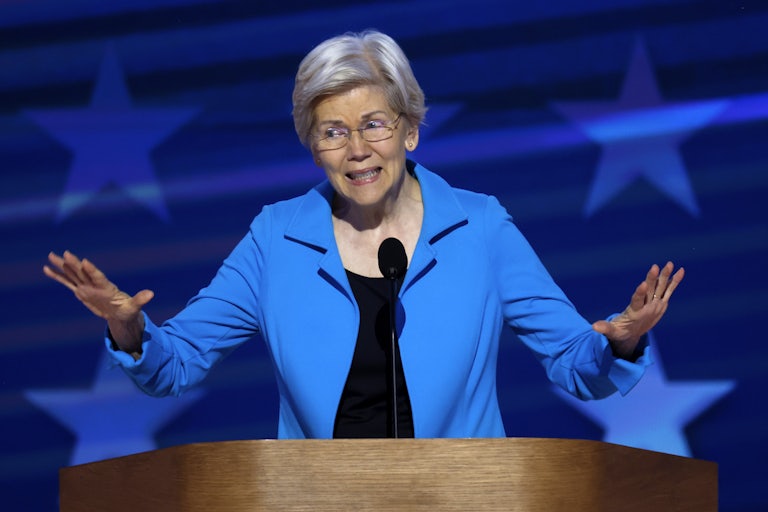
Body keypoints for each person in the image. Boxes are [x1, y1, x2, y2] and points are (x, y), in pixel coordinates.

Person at [43, 30, 684, 440]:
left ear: (409, 130)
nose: (357, 149)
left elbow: (578, 365)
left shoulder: (480, 226)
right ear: (313, 147)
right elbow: (174, 365)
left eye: (374, 124)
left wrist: (620, 345)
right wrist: (129, 329)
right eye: (332, 131)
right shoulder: (276, 239)